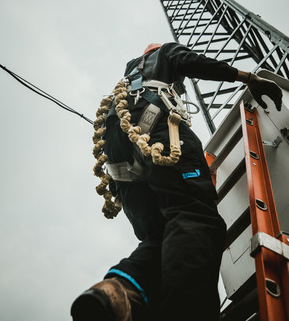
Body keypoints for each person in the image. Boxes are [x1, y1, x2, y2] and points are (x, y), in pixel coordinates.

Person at [71, 42, 283, 321]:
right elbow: (193, 62)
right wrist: (249, 78)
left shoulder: (126, 82)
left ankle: (120, 291)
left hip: (121, 157)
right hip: (156, 125)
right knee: (195, 216)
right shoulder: (163, 55)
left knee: (160, 236)